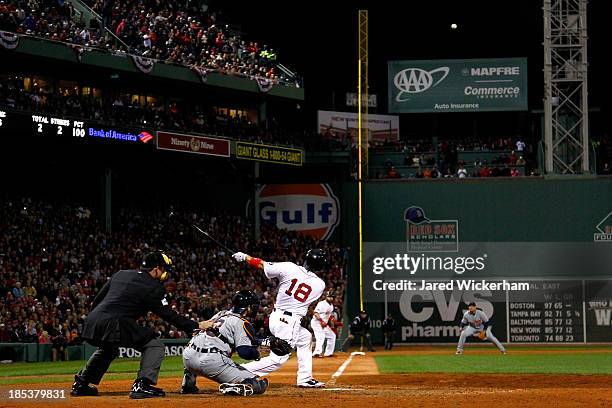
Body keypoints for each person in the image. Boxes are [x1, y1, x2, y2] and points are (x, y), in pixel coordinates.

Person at [71, 251, 210, 399]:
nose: (165, 274)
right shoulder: (154, 286)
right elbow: (168, 314)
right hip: (116, 321)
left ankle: (81, 384)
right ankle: (142, 384)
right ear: (156, 268)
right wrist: (196, 325)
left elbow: (98, 299)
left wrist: (94, 320)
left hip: (93, 319)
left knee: (108, 348)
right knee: (154, 344)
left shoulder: (120, 274)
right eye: (164, 270)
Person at [231, 249, 327, 388]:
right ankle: (236, 371)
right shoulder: (320, 284)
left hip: (276, 317)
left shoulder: (289, 267)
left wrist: (245, 257)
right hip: (289, 322)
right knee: (278, 359)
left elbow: (262, 264)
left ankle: (305, 378)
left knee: (305, 337)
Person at [181, 290, 284, 396]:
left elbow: (243, 337)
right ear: (248, 307)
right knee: (258, 385)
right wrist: (257, 353)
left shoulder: (221, 313)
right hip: (211, 362)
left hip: (188, 357)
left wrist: (264, 342)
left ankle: (188, 383)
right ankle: (232, 387)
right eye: (254, 306)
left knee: (197, 346)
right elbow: (244, 352)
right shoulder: (242, 322)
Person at [311, 291, 337, 358]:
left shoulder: (331, 306)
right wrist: (321, 321)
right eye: (329, 296)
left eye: (332, 297)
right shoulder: (322, 304)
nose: (331, 298)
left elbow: (329, 316)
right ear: (326, 296)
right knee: (321, 336)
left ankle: (328, 353)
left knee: (332, 335)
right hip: (316, 322)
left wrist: (332, 324)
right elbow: (315, 313)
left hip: (323, 324)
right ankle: (316, 353)